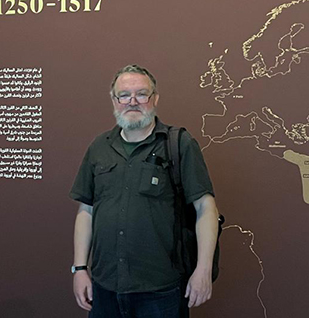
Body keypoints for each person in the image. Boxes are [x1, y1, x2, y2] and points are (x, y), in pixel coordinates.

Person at [69, 64, 219, 317]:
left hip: (161, 290)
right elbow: (87, 211)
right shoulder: (99, 147)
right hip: (105, 287)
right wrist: (80, 268)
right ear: (114, 100)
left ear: (155, 99)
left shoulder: (179, 144)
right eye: (124, 95)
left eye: (141, 94)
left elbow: (206, 208)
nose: (132, 101)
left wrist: (202, 270)